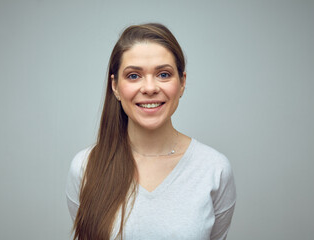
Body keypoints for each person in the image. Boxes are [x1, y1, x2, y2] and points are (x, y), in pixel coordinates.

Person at [66, 23, 236, 240]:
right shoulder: (85, 167)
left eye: (164, 74)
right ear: (115, 86)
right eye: (134, 76)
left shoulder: (214, 169)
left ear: (182, 83)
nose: (149, 88)